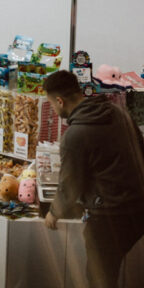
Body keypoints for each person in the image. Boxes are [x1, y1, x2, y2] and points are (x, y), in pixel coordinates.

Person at [42, 69, 144, 288]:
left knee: (100, 280)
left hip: (108, 217)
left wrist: (54, 212)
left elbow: (70, 185)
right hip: (138, 209)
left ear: (59, 101)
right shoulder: (118, 113)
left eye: (51, 104)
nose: (52, 108)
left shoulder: (75, 135)